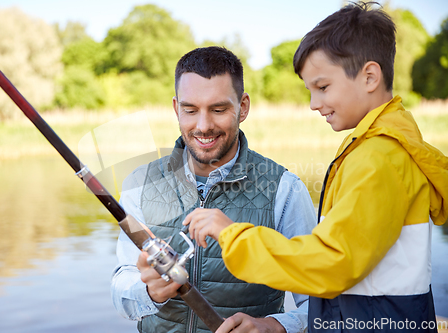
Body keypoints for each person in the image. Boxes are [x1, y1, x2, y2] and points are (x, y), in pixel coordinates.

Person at [183, 3, 448, 333]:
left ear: (369, 76)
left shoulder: (379, 157)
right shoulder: (374, 147)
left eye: (322, 87)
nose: (313, 103)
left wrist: (232, 235)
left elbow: (331, 261)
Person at [111, 46, 317, 333]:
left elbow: (320, 304)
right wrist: (148, 292)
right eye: (190, 110)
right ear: (176, 109)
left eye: (218, 109)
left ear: (242, 107)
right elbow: (121, 290)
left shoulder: (286, 190)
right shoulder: (139, 184)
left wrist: (275, 326)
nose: (203, 125)